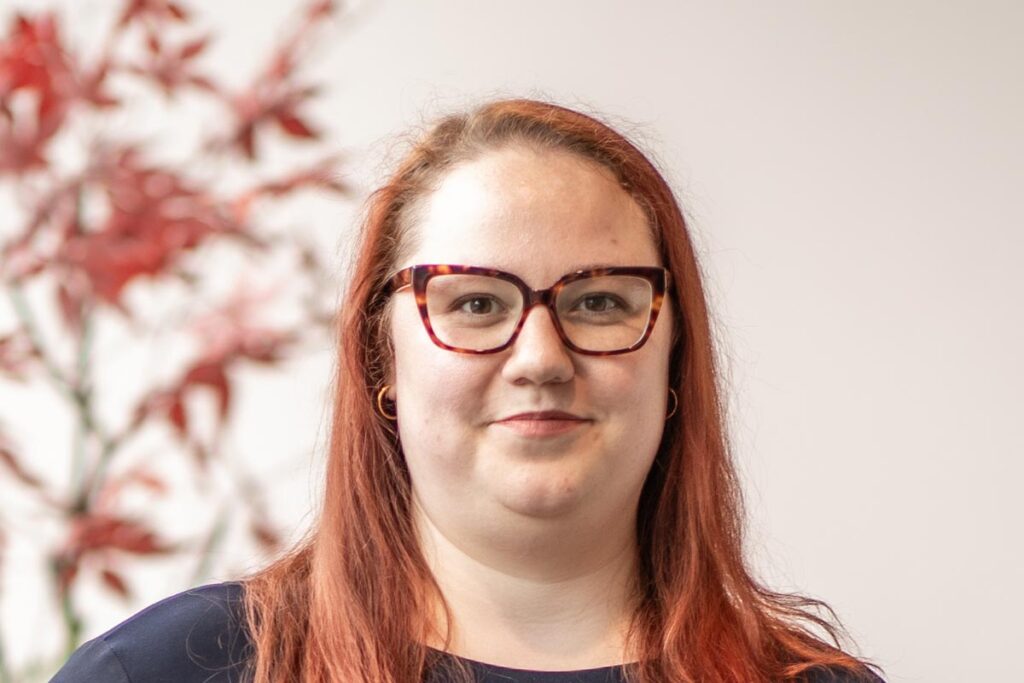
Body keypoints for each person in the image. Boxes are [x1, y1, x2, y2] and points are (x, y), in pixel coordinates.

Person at [52, 98, 886, 683]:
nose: (541, 357)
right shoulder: (163, 672)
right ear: (381, 359)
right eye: (477, 303)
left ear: (676, 357)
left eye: (600, 302)